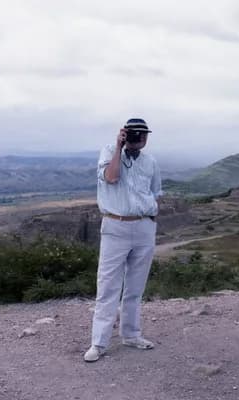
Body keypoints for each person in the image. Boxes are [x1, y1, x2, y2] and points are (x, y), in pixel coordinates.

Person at [84, 118, 162, 362]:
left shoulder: (151, 162)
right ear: (124, 134)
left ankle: (131, 334)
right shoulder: (109, 152)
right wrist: (119, 148)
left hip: (144, 226)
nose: (140, 138)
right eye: (135, 133)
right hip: (116, 225)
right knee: (108, 286)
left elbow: (155, 191)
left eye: (144, 134)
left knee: (135, 286)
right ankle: (99, 343)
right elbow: (111, 177)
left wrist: (149, 213)